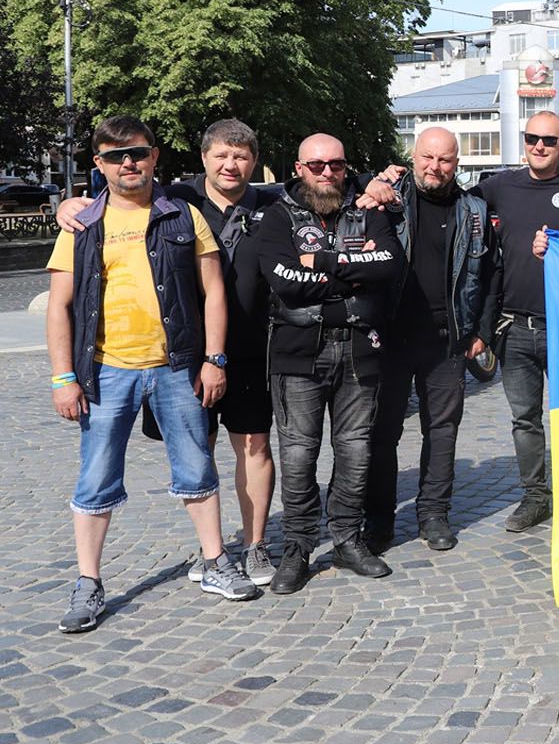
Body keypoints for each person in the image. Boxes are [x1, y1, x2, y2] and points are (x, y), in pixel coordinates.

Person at [47, 116, 259, 632]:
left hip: (177, 366)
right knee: (96, 476)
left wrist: (215, 358)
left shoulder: (182, 216)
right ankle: (88, 582)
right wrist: (62, 377)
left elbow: (213, 292)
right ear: (98, 164)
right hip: (105, 370)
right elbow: (59, 306)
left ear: (154, 157)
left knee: (195, 468)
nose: (129, 164)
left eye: (138, 153)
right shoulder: (83, 224)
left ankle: (213, 561)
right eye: (116, 156)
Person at [256, 133, 405, 593]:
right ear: (298, 168)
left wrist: (318, 260)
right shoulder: (278, 216)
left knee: (356, 448)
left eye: (336, 165)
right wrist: (347, 269)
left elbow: (387, 264)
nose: (327, 173)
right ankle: (298, 547)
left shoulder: (367, 211)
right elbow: (283, 279)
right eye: (316, 165)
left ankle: (345, 537)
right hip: (297, 351)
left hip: (359, 348)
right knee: (298, 454)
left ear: (346, 167)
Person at [468, 110, 559, 533]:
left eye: (549, 140)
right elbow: (449, 198)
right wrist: (377, 185)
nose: (540, 146)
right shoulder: (501, 185)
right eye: (532, 138)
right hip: (515, 329)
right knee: (524, 419)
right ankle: (535, 497)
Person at [358, 127, 495, 555]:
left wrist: (480, 333)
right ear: (413, 157)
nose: (435, 167)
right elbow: (341, 189)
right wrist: (372, 183)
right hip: (393, 337)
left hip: (447, 340)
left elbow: (490, 275)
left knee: (442, 431)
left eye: (446, 160)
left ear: (457, 163)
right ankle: (379, 519)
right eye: (428, 158)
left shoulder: (472, 209)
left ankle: (434, 514)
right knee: (383, 433)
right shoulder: (390, 200)